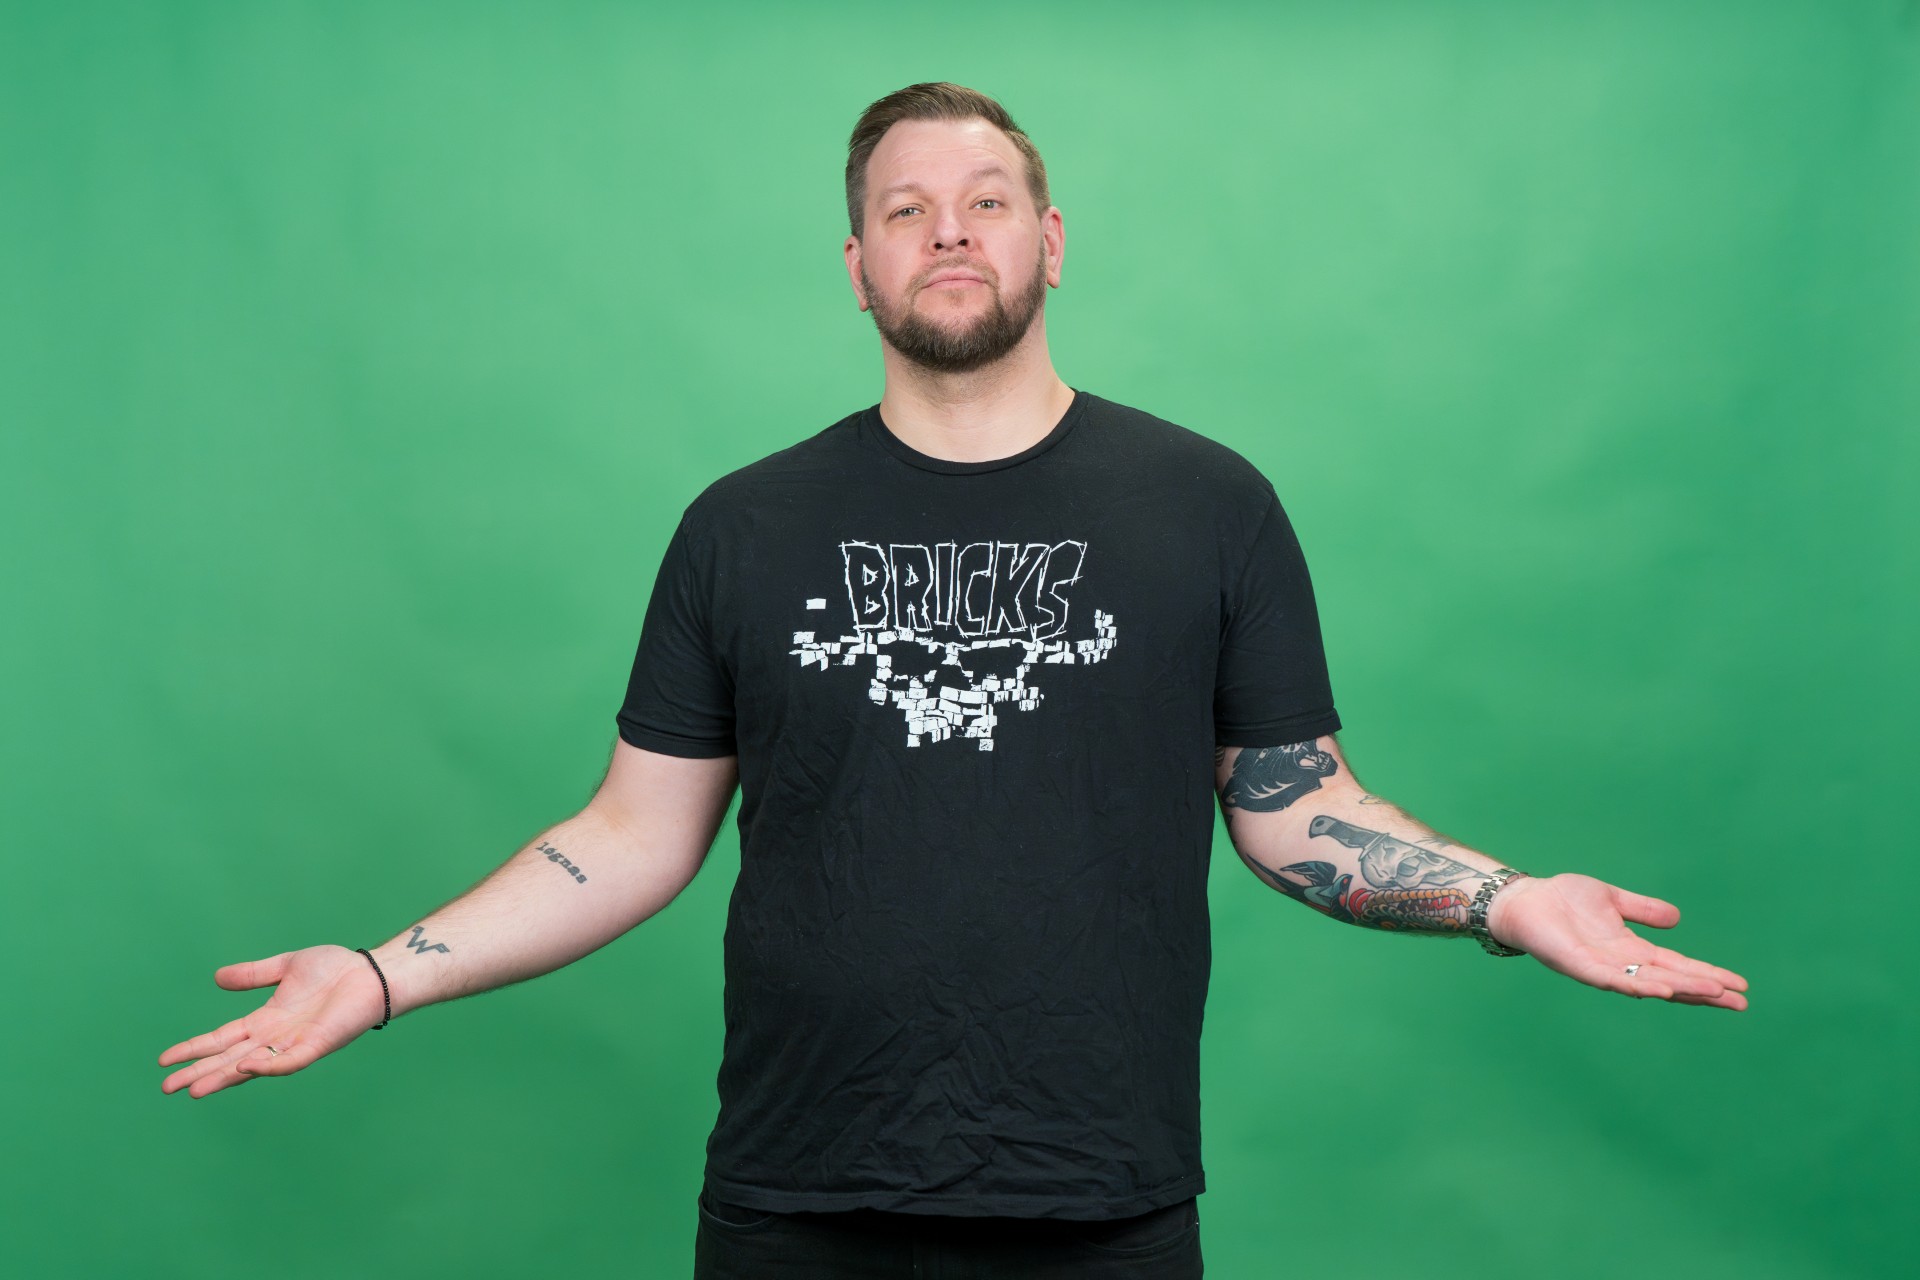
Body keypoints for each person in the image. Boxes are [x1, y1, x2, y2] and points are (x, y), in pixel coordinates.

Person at [158, 82, 1750, 1279]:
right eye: (907, 208)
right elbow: (633, 835)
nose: (950, 231)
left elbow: (1293, 808)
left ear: (1051, 244)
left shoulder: (1210, 506)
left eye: (988, 199)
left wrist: (1504, 900)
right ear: (856, 265)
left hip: (1103, 1202)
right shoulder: (743, 526)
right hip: (792, 1202)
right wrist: (383, 974)